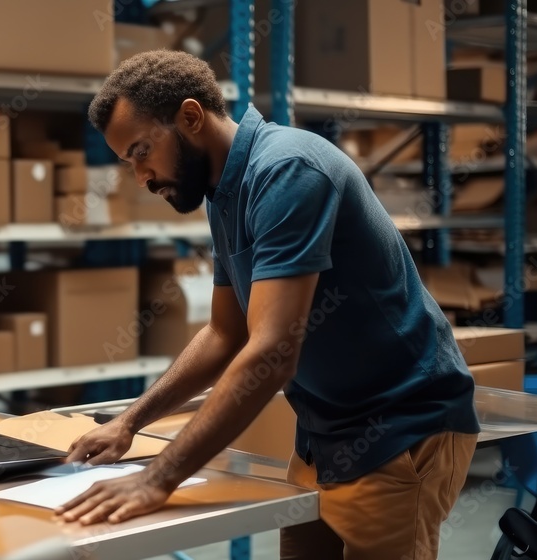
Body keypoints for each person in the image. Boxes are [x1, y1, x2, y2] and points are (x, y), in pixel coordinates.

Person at [55, 50, 481, 560]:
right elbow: (224, 333)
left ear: (190, 117)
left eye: (142, 151)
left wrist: (158, 478)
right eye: (130, 162)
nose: (141, 176)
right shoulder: (223, 194)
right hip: (323, 434)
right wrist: (130, 421)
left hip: (398, 429)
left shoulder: (288, 170)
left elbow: (273, 351)